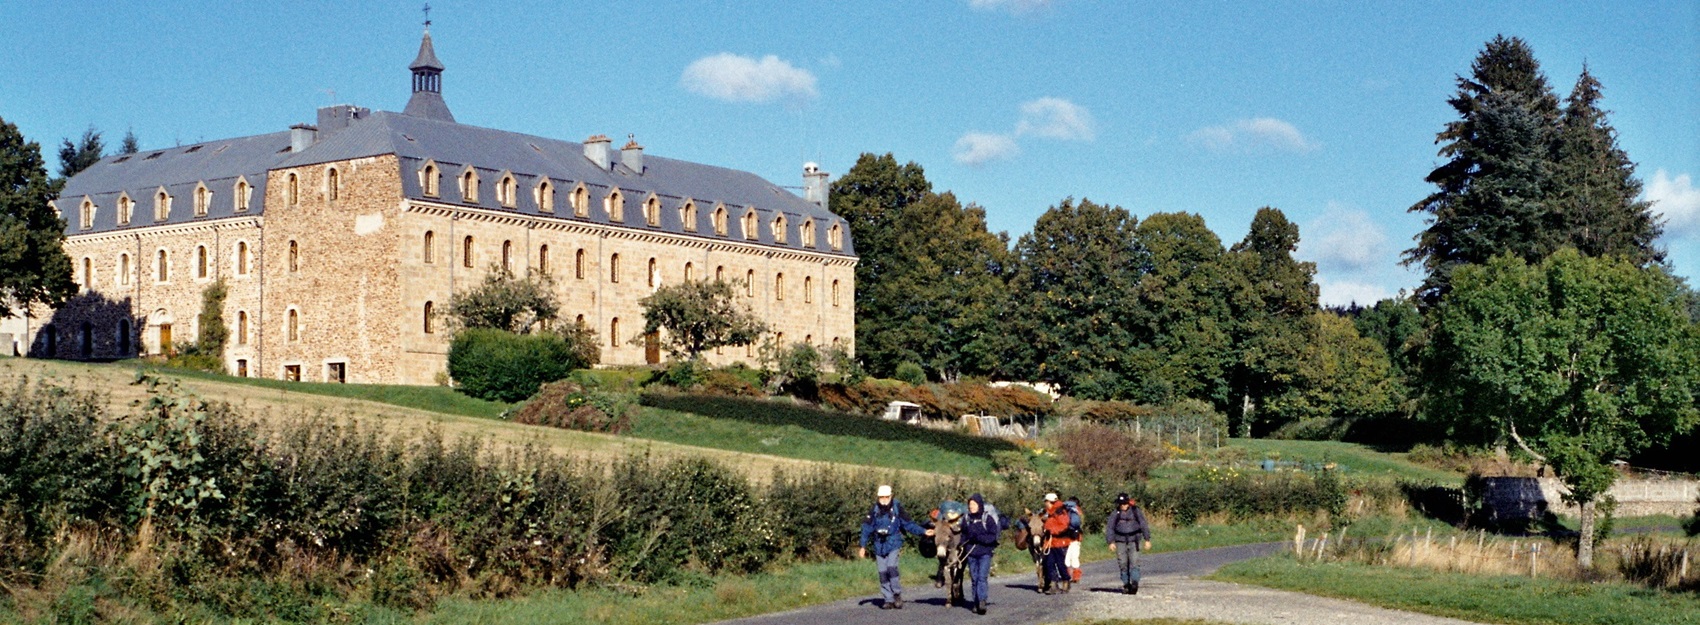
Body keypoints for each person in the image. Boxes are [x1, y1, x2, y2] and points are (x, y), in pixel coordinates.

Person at [859, 484, 932, 609]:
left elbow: (908, 524)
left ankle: (896, 593)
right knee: (882, 573)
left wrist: (923, 531)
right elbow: (866, 528)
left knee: (891, 568)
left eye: (886, 497)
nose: (883, 499)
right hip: (879, 545)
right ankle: (888, 599)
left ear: (891, 496)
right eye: (881, 497)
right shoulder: (874, 510)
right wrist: (862, 546)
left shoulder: (897, 508)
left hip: (894, 543)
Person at [961, 493, 1007, 615]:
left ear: (979, 505)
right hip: (971, 553)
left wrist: (979, 538)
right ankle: (976, 602)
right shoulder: (966, 519)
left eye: (973, 504)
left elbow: (993, 536)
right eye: (970, 504)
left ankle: (982, 601)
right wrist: (963, 544)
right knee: (974, 578)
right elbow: (963, 535)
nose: (971, 507)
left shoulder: (988, 519)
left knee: (982, 577)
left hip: (984, 553)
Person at [1105, 492, 1152, 595]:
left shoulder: (1136, 511)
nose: (1123, 506)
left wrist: (1147, 539)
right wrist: (1110, 542)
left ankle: (1135, 583)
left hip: (1134, 541)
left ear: (1128, 503)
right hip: (1120, 541)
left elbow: (1143, 524)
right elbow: (1110, 528)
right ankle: (1126, 584)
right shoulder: (1115, 513)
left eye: (1124, 503)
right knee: (1122, 563)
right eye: (1121, 504)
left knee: (1134, 562)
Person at [1041, 493, 1075, 594]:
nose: (1045, 504)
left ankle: (1065, 581)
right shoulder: (1049, 512)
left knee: (1061, 564)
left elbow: (1064, 525)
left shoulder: (1060, 511)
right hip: (1050, 543)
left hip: (1060, 542)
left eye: (1046, 502)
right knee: (1049, 564)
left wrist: (1051, 530)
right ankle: (1053, 584)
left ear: (1050, 502)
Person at [1063, 496, 1084, 583]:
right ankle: (1076, 576)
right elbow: (1081, 524)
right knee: (1075, 557)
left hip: (1065, 537)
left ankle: (1067, 576)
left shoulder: (1065, 511)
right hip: (1076, 537)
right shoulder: (1078, 512)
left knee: (1066, 557)